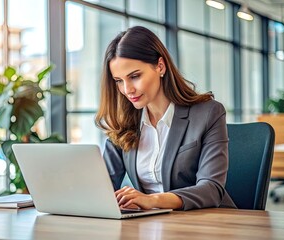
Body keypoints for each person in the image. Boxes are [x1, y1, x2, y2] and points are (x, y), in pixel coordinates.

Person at [95, 26, 235, 211]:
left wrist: (152, 200)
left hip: (206, 223)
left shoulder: (208, 113)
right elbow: (103, 187)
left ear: (160, 66)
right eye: (119, 81)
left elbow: (211, 188)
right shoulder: (124, 122)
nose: (127, 90)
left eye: (135, 76)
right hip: (150, 224)